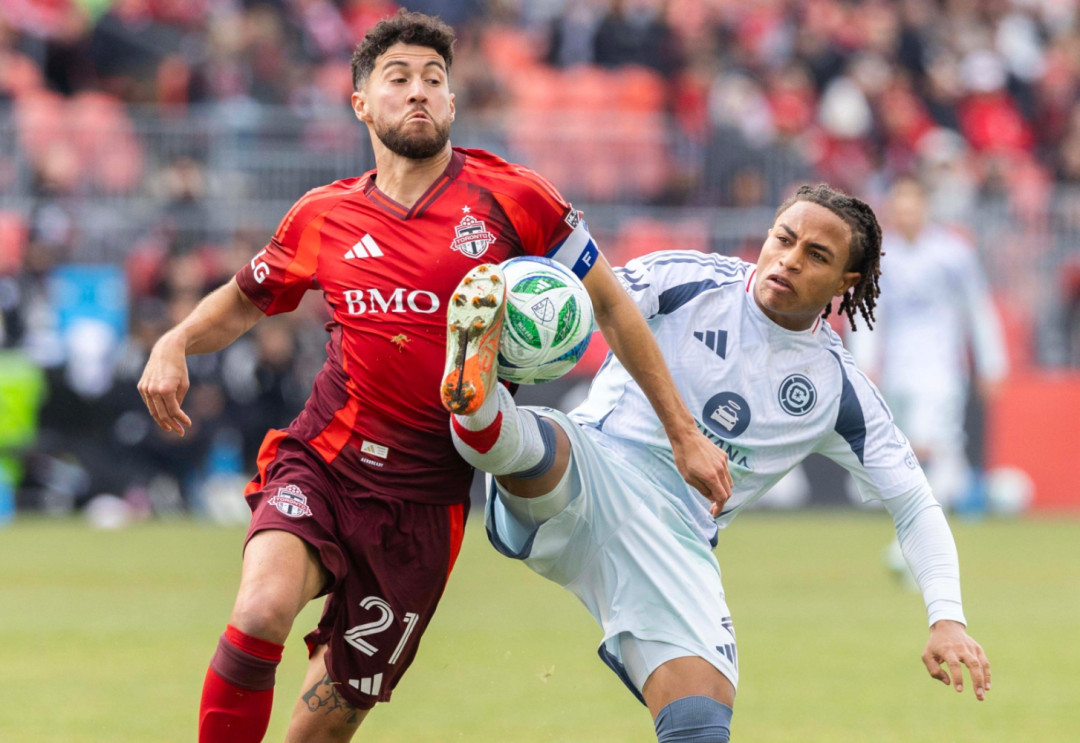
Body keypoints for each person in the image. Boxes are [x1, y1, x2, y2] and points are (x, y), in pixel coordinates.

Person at [137, 10, 727, 743]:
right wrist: (176, 341)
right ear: (361, 102)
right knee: (260, 609)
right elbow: (245, 297)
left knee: (319, 729)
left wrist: (682, 433)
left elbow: (610, 303)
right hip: (324, 462)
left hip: (426, 503)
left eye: (434, 79)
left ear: (452, 101)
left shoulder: (516, 197)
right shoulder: (325, 214)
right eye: (398, 78)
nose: (418, 92)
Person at [443, 184, 991, 742]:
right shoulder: (687, 278)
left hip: (675, 544)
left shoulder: (837, 390)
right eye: (784, 239)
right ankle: (479, 398)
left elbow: (915, 503)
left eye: (817, 256)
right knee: (544, 445)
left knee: (702, 724)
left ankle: (486, 411)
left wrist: (947, 616)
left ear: (846, 282)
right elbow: (594, 307)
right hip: (597, 467)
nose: (790, 260)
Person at [847, 175, 1008, 512]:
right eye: (899, 207)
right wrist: (862, 365)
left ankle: (935, 512)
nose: (906, 214)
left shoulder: (954, 253)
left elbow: (977, 310)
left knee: (933, 441)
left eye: (912, 206)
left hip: (941, 367)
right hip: (896, 368)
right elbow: (866, 313)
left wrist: (991, 363)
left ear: (925, 207)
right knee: (902, 447)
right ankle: (961, 498)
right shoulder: (878, 257)